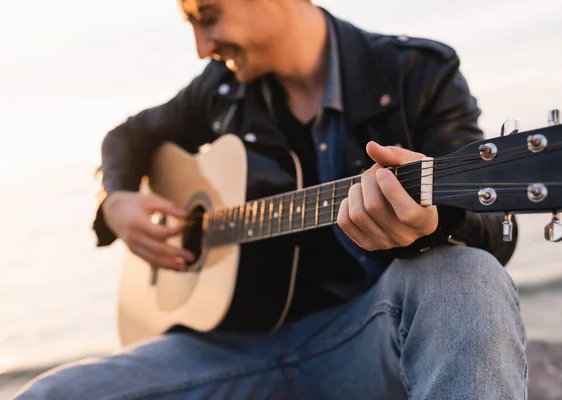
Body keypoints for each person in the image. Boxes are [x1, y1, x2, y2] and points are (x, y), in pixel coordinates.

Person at [13, 0, 527, 398]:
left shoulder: (416, 73)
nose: (199, 46)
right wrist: (117, 200)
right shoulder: (220, 92)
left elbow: (493, 220)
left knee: (468, 277)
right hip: (232, 350)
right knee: (55, 392)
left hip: (365, 342)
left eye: (208, 17)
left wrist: (433, 222)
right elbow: (128, 137)